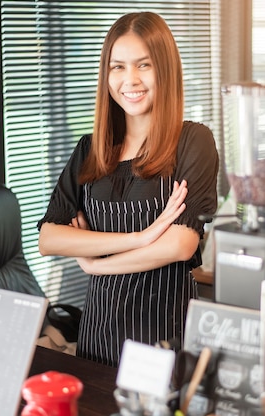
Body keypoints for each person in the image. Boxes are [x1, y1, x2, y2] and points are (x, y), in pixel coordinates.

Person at [37, 11, 219, 367]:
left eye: (144, 65)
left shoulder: (192, 141)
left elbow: (181, 245)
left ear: (165, 69)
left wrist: (96, 265)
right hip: (97, 335)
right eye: (117, 67)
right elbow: (49, 238)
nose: (130, 79)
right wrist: (142, 237)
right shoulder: (91, 150)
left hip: (161, 337)